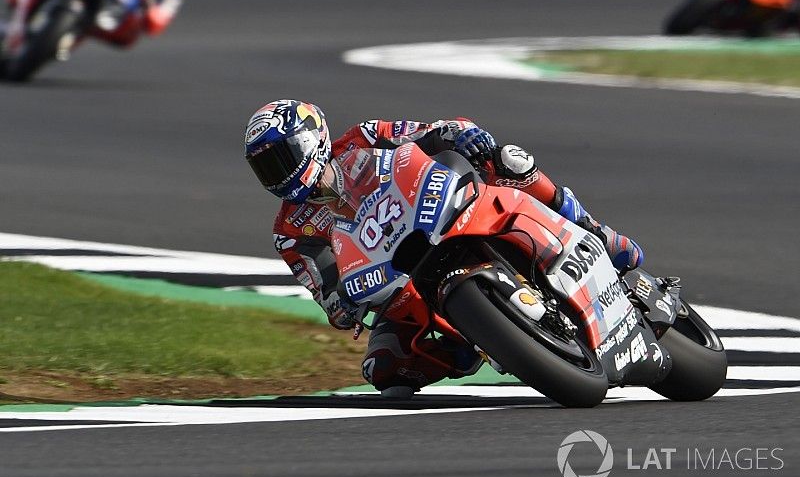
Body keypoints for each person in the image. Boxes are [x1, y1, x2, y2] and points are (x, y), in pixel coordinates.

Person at [244, 99, 643, 398]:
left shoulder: (362, 138)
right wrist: (341, 307)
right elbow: (326, 290)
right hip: (401, 282)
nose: (277, 174)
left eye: (282, 158)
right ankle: (467, 347)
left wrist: (456, 133)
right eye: (266, 167)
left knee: (508, 159)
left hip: (443, 211)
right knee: (383, 371)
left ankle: (592, 229)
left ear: (311, 140)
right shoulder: (290, 232)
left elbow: (427, 131)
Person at [1, 0, 187, 60]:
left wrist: (149, 5)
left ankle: (67, 38)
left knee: (128, 32)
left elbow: (158, 24)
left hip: (117, 9)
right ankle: (23, 6)